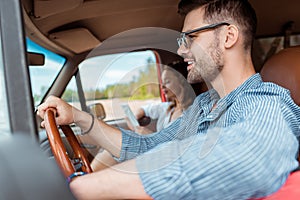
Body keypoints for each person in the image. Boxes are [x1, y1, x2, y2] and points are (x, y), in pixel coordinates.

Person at [37, 0, 300, 199]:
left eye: (190, 37)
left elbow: (250, 156)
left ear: (229, 37)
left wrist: (84, 187)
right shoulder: (205, 105)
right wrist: (79, 118)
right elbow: (147, 147)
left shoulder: (267, 102)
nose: (180, 49)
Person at [131, 62, 195, 134]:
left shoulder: (193, 112)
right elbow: (144, 109)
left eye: (167, 82)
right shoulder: (167, 107)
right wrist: (133, 120)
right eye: (162, 82)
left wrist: (150, 136)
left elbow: (181, 143)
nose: (162, 87)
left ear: (182, 82)